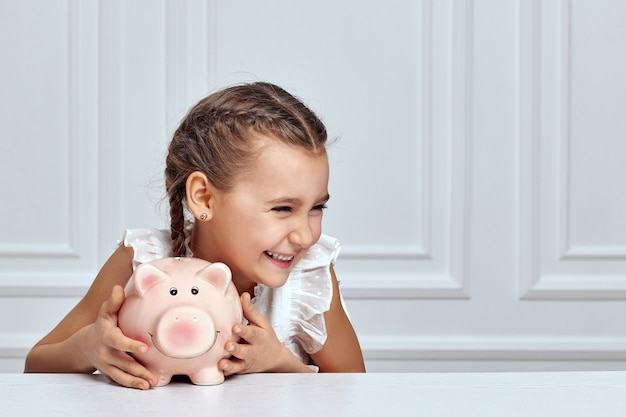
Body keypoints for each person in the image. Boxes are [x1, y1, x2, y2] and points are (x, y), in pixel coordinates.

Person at [24, 82, 366, 389]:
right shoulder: (142, 263)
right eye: (282, 209)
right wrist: (88, 348)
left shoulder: (309, 280)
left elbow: (356, 391)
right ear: (203, 198)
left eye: (317, 208)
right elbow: (36, 365)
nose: (305, 235)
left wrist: (280, 362)